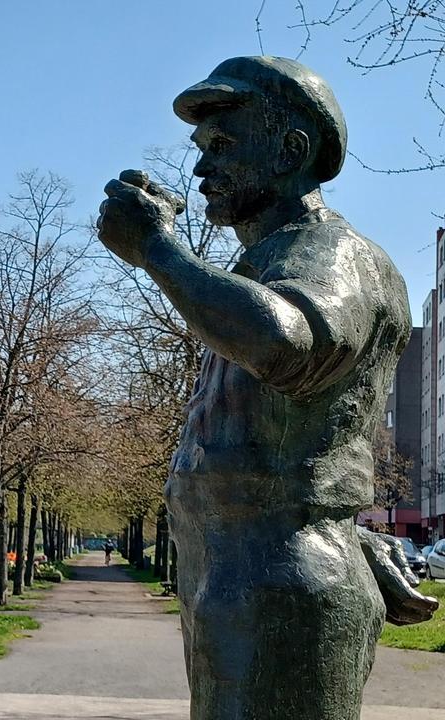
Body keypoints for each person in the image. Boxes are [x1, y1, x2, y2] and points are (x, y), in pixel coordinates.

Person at [96, 56, 437, 720]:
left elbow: (289, 346)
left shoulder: (332, 255)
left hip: (280, 588)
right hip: (240, 578)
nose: (201, 170)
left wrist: (159, 252)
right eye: (201, 149)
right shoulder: (267, 261)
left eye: (222, 146)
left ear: (291, 150)